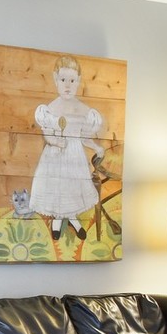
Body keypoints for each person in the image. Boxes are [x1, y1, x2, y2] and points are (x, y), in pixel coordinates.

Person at [28, 55, 106, 241]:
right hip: (55, 156)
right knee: (57, 188)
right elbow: (47, 133)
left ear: (78, 81)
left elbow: (84, 136)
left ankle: (72, 218)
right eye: (63, 80)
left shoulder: (83, 110)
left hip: (74, 157)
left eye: (72, 80)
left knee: (72, 189)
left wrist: (96, 147)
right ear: (56, 79)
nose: (67, 85)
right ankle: (57, 219)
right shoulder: (50, 108)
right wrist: (55, 142)